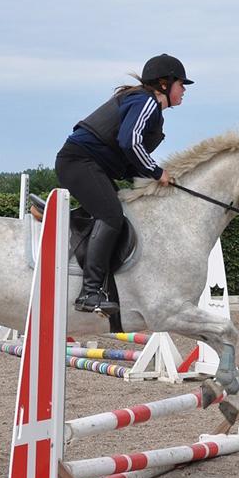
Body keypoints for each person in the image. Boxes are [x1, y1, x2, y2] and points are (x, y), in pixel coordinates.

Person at [54, 53, 192, 314]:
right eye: (181, 84)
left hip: (90, 165)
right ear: (164, 84)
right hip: (80, 162)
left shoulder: (147, 106)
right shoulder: (146, 102)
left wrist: (153, 180)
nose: (184, 90)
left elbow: (127, 160)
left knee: (118, 213)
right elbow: (130, 142)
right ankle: (90, 293)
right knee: (112, 216)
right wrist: (155, 171)